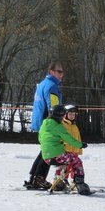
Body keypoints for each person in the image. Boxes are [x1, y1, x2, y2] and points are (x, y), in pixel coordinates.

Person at [24, 61, 65, 189]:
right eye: (59, 71)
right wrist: (56, 123)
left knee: (44, 151)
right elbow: (54, 107)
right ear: (51, 72)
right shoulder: (52, 86)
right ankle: (39, 179)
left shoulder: (42, 84)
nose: (61, 75)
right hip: (47, 123)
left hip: (40, 121)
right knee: (49, 152)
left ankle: (33, 178)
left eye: (62, 72)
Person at [39, 105, 91, 195]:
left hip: (46, 157)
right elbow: (69, 139)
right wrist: (81, 145)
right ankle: (80, 183)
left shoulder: (44, 124)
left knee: (64, 162)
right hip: (57, 155)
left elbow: (40, 138)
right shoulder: (58, 126)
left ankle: (59, 183)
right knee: (76, 160)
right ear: (60, 116)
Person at [54, 104, 82, 191]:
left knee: (74, 167)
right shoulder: (62, 125)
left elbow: (78, 138)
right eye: (70, 114)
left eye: (74, 115)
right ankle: (59, 181)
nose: (72, 116)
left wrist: (79, 150)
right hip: (65, 151)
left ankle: (75, 181)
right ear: (65, 114)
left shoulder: (74, 126)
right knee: (64, 167)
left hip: (74, 151)